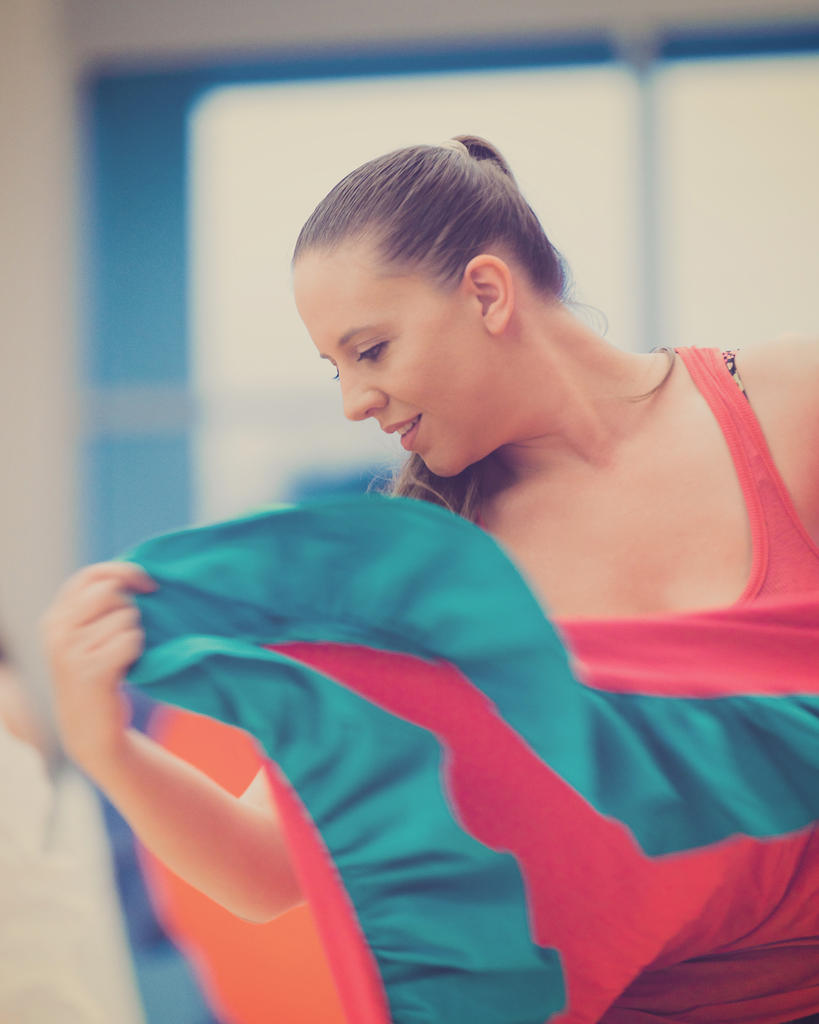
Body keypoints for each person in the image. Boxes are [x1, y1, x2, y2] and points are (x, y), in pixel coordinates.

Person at [44, 136, 819, 1023]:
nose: (353, 401)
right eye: (336, 368)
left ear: (486, 293)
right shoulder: (423, 579)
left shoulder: (788, 406)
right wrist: (107, 747)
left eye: (371, 350)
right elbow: (265, 869)